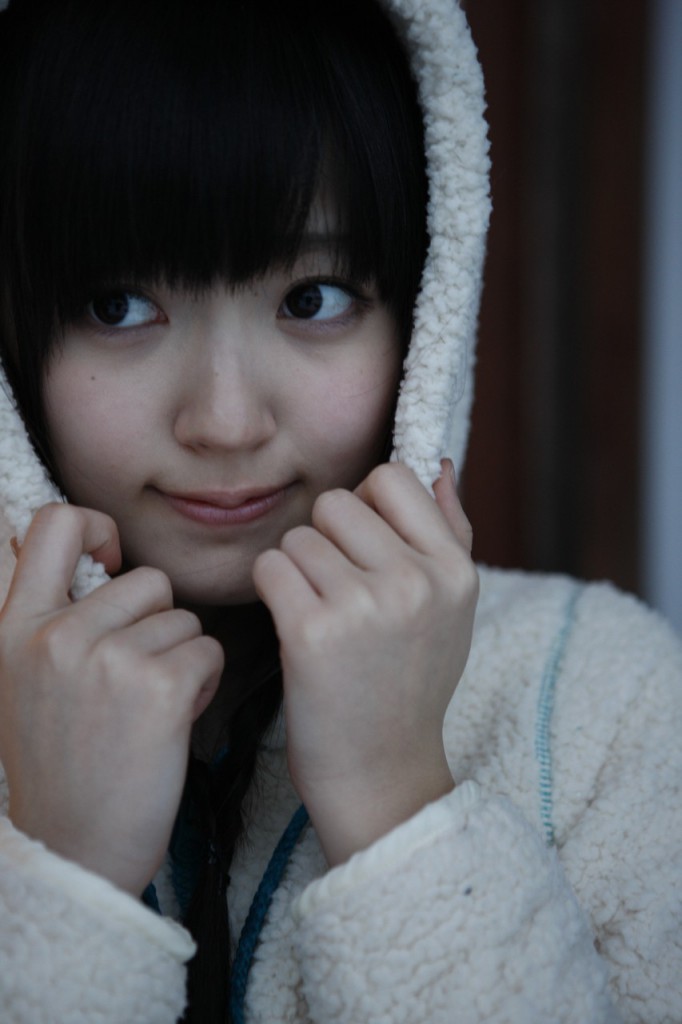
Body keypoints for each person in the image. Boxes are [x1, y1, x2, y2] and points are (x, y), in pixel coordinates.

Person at [0, 0, 680, 1021]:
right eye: (118, 305)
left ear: (424, 310)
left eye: (312, 297)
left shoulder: (606, 695)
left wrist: (397, 801)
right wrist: (64, 874)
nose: (226, 421)